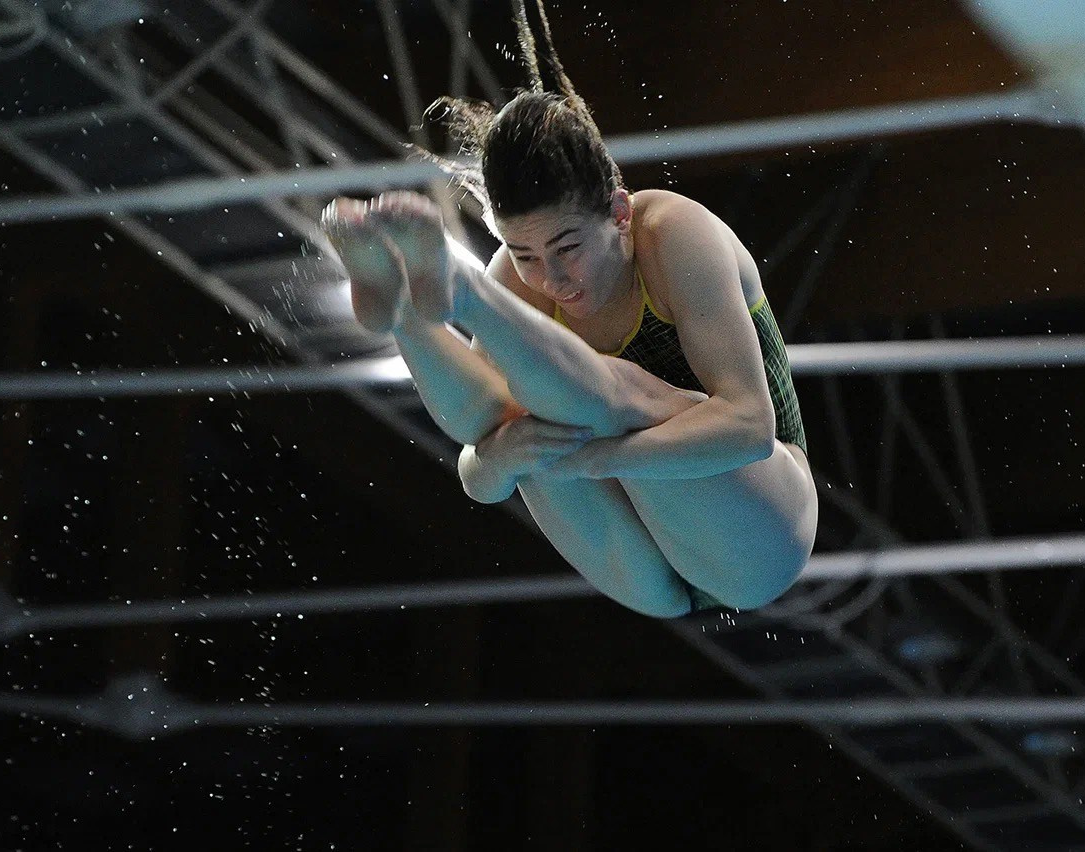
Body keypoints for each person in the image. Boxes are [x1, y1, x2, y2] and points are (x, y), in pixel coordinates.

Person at [320, 0, 817, 616]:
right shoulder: (516, 282)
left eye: (567, 248)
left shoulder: (676, 235)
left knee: (613, 396)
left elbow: (748, 429)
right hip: (644, 580)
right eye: (524, 253)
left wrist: (598, 454)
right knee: (509, 423)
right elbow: (478, 477)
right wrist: (503, 454)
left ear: (619, 212)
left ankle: (456, 291)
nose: (551, 279)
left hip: (763, 535)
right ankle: (405, 319)